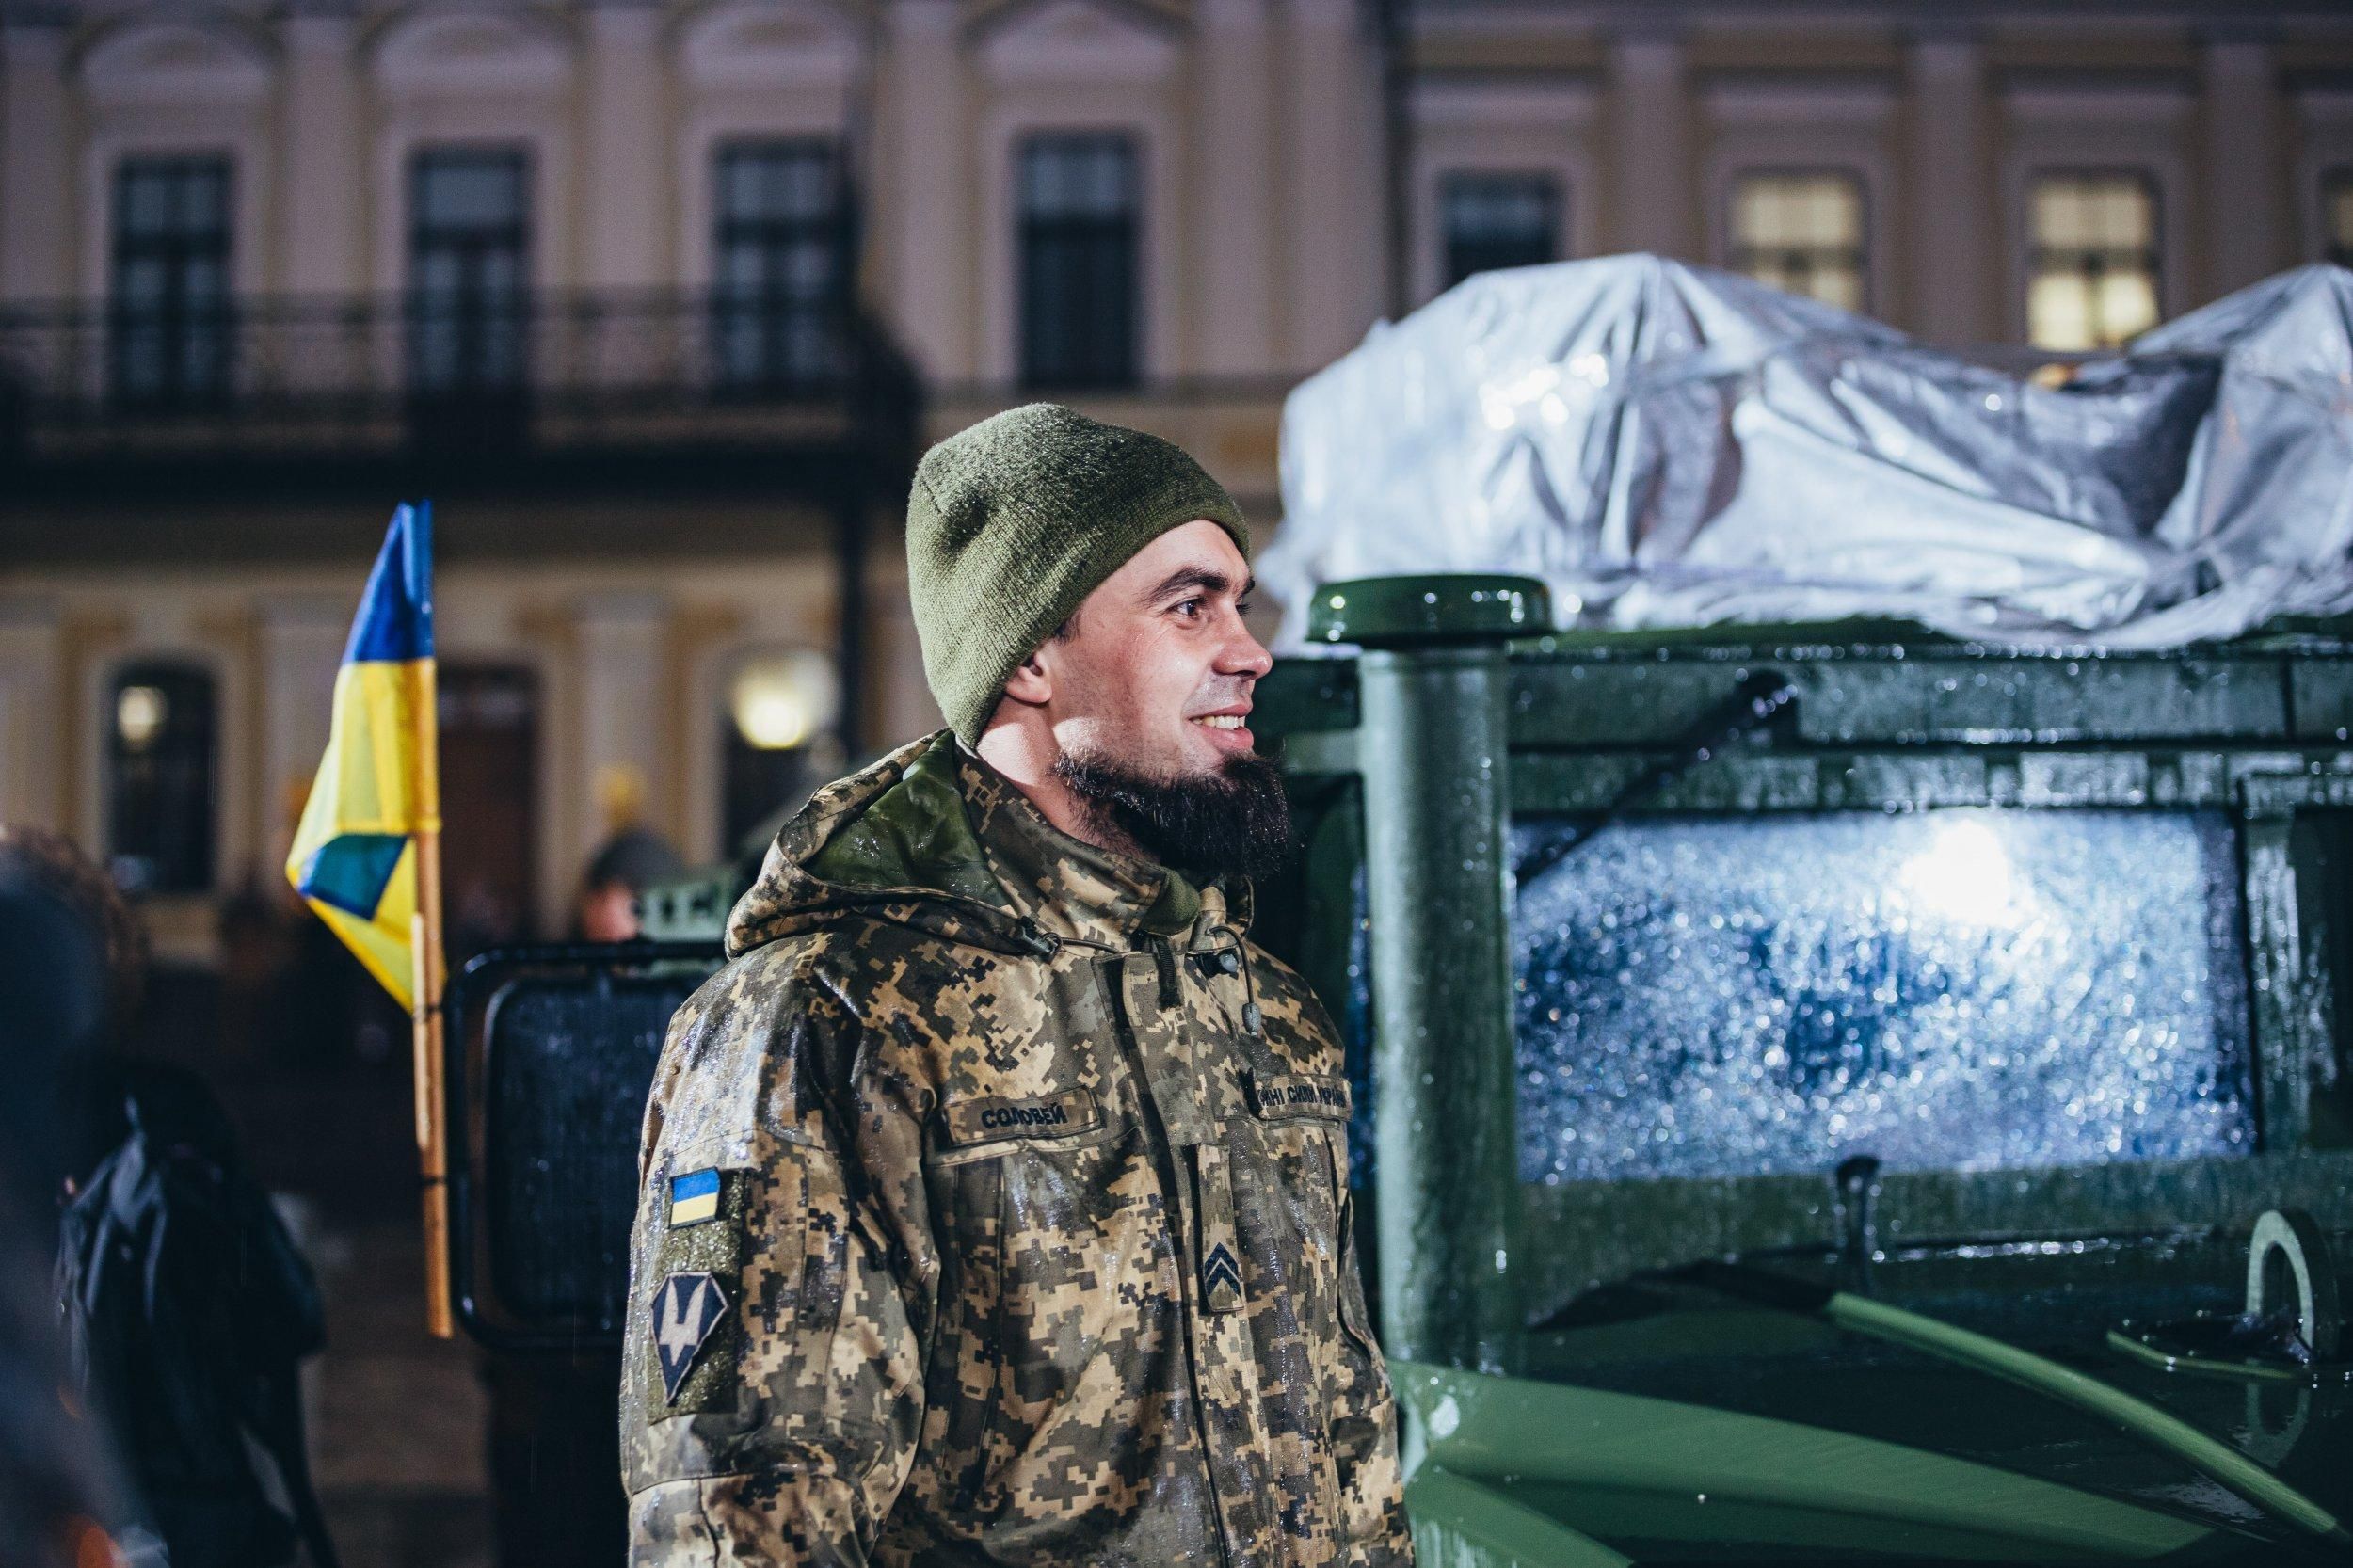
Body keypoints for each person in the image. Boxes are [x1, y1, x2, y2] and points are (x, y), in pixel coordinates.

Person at [620, 404, 1412, 1564]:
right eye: (1189, 605)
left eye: (1239, 604)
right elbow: (739, 1522)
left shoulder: (1260, 1010)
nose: (1250, 651)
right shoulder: (828, 1019)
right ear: (1032, 656)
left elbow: (1352, 1453)